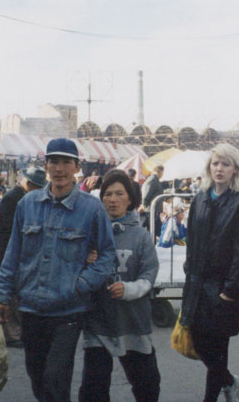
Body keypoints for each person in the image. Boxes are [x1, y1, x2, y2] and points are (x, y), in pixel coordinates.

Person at [0, 138, 115, 402]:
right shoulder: (28, 204)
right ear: (46, 165)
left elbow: (107, 255)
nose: (59, 168)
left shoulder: (91, 208)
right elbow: (12, 253)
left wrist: (81, 284)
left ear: (76, 167)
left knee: (56, 377)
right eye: (54, 162)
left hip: (68, 311)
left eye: (66, 162)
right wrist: (2, 295)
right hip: (31, 308)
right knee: (37, 377)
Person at [180, 144, 239, 402]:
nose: (219, 169)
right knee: (202, 346)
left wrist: (231, 290)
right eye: (215, 163)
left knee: (217, 350)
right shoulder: (201, 198)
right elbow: (192, 240)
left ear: (235, 168)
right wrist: (189, 273)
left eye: (225, 164)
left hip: (223, 288)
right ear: (208, 167)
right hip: (198, 285)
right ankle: (230, 381)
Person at [79, 169, 161, 402]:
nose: (112, 199)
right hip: (98, 320)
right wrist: (84, 260)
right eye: (107, 194)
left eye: (119, 193)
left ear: (130, 199)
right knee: (93, 389)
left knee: (147, 386)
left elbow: (149, 275)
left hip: (133, 320)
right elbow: (74, 273)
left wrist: (129, 289)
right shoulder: (90, 232)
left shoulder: (141, 236)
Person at [0, 166, 47, 348]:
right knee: (10, 298)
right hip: (5, 255)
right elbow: (13, 233)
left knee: (18, 296)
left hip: (17, 256)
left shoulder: (24, 198)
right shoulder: (12, 199)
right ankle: (11, 335)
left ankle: (18, 332)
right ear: (29, 184)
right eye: (38, 187)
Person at [139, 165, 164, 235]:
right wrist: (144, 204)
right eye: (162, 173)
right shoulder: (152, 180)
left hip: (154, 209)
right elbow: (146, 193)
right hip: (150, 209)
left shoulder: (155, 179)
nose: (162, 175)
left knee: (155, 230)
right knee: (151, 229)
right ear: (159, 171)